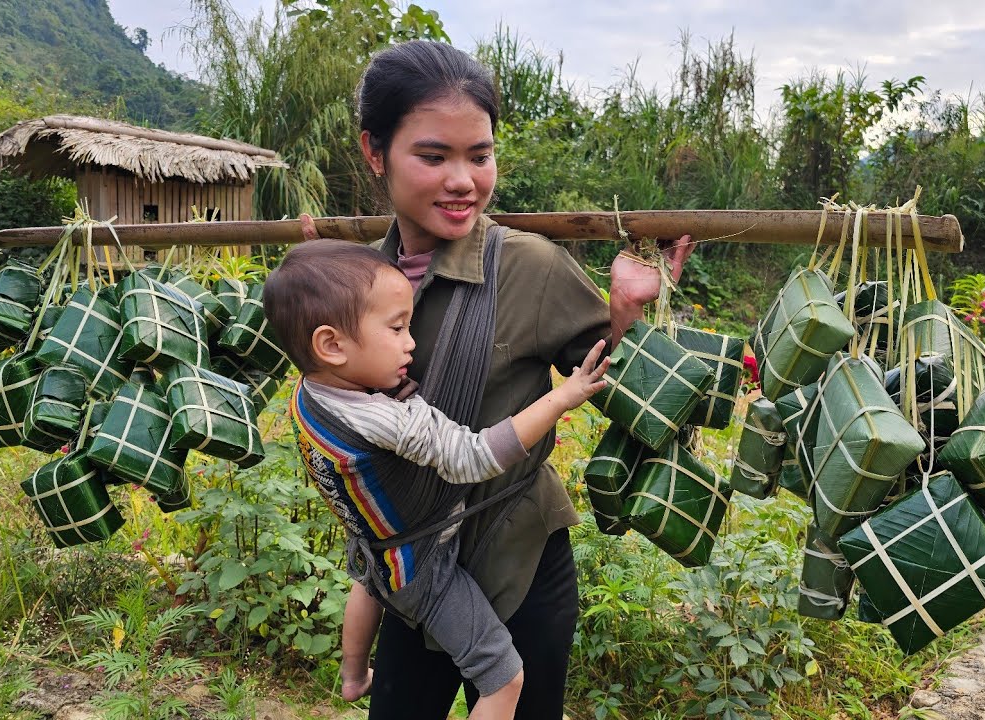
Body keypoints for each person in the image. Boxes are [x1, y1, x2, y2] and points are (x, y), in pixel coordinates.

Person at [299, 39, 692, 719]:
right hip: (414, 569)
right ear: (374, 152)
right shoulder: (352, 284)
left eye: (479, 156)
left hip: (520, 556)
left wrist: (626, 312)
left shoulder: (531, 266)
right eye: (433, 156)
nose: (463, 181)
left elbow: (597, 369)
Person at [264, 239, 611, 717]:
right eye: (397, 328)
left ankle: (351, 676)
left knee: (369, 581)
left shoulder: (312, 391)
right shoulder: (387, 419)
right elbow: (472, 456)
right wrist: (561, 398)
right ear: (331, 344)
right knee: (505, 677)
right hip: (419, 563)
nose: (412, 342)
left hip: (369, 539)